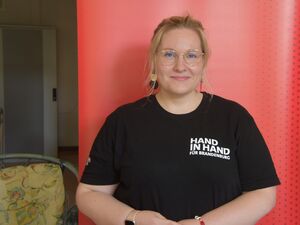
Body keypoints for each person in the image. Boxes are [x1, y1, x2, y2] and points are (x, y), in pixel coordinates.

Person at [76, 15, 280, 225]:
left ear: (203, 61)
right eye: (169, 54)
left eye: (191, 55)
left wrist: (203, 224)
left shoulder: (234, 118)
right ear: (154, 60)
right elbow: (89, 193)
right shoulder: (122, 121)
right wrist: (134, 219)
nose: (180, 66)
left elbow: (263, 194)